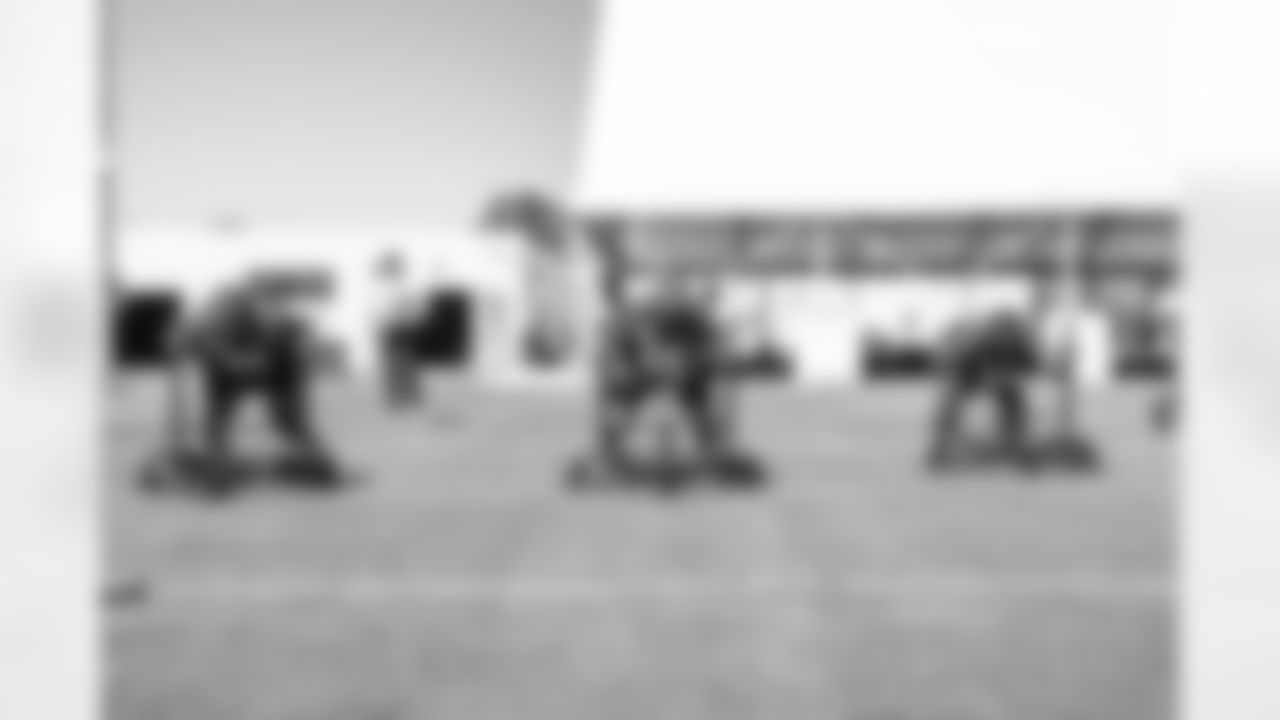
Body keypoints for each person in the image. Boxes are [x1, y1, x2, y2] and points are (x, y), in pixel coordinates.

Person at [155, 276, 339, 492]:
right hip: (234, 358)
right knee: (218, 419)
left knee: (288, 419)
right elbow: (189, 358)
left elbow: (285, 337)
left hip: (269, 359)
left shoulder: (246, 318)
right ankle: (216, 470)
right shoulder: (211, 323)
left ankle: (319, 463)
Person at [373, 253, 423, 409]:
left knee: (405, 363)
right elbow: (379, 309)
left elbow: (411, 307)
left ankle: (407, 395)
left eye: (389, 267)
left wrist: (403, 316)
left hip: (400, 327)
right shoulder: (384, 286)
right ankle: (399, 396)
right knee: (395, 364)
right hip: (391, 328)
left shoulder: (402, 286)